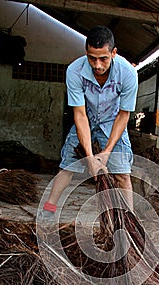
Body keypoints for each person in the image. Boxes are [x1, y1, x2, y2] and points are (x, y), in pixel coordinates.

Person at [40, 25, 138, 222]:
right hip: (87, 118)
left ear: (114, 53)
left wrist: (107, 151)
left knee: (123, 174)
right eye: (92, 58)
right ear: (86, 52)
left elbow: (123, 115)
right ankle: (48, 209)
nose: (97, 65)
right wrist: (90, 157)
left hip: (113, 121)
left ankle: (130, 219)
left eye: (103, 58)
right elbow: (80, 114)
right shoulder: (74, 71)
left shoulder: (128, 73)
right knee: (67, 167)